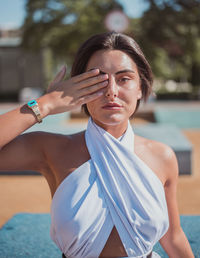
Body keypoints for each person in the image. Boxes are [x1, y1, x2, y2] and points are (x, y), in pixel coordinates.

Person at [0, 32, 194, 258]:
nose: (111, 91)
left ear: (141, 87)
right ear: (78, 88)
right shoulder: (54, 150)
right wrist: (46, 104)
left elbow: (173, 237)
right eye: (98, 79)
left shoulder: (163, 157)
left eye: (124, 79)